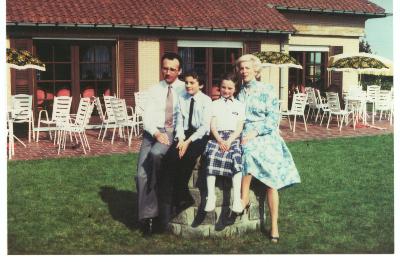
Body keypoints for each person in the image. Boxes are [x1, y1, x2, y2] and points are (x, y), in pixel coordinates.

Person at [236, 54, 301, 243]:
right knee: (246, 151)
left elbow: (273, 119)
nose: (244, 71)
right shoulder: (240, 92)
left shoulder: (267, 89)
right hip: (244, 134)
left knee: (271, 180)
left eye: (247, 68)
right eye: (241, 68)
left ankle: (274, 225)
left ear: (256, 71)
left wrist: (255, 133)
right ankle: (243, 197)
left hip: (264, 134)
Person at [136, 52, 185, 235]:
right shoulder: (154, 89)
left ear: (179, 71)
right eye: (165, 68)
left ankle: (153, 215)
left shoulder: (185, 88)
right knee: (141, 175)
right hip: (153, 132)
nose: (168, 72)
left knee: (156, 156)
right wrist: (156, 133)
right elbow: (146, 116)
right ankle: (145, 217)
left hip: (171, 132)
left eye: (172, 69)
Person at [158, 71, 212, 230]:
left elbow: (204, 127)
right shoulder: (182, 99)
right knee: (170, 157)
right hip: (184, 135)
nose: (188, 85)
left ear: (200, 85)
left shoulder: (206, 101)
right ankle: (179, 197)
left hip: (199, 136)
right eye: (186, 82)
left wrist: (188, 142)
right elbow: (179, 122)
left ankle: (180, 196)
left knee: (188, 158)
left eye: (192, 83)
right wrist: (181, 139)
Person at [203, 73, 245, 215]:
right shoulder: (214, 104)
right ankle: (211, 196)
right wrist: (220, 140)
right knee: (212, 155)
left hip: (233, 137)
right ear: (219, 88)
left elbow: (239, 127)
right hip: (217, 137)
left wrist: (229, 141)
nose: (226, 91)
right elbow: (213, 126)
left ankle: (237, 200)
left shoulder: (239, 105)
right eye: (223, 87)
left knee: (236, 157)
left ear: (235, 89)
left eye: (229, 88)